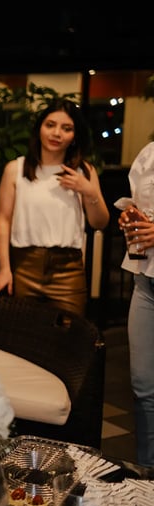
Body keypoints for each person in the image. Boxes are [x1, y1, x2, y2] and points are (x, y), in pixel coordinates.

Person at [0, 99, 109, 316]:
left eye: (66, 128)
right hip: (25, 265)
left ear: (74, 136)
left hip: (68, 269)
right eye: (50, 125)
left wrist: (89, 191)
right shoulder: (16, 169)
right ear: (39, 128)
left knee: (68, 338)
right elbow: (3, 220)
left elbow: (100, 222)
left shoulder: (82, 171)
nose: (56, 133)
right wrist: (5, 268)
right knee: (25, 340)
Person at [118, 141, 154, 468]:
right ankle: (148, 477)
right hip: (146, 282)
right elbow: (140, 203)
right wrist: (131, 215)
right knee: (143, 388)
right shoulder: (149, 153)